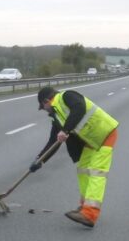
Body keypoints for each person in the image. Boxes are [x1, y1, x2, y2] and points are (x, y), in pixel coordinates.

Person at [31, 86, 119, 228]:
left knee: (96, 173)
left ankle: (90, 214)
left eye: (43, 107)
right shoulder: (57, 116)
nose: (44, 110)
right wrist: (39, 161)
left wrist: (66, 130)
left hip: (104, 133)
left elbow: (80, 108)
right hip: (91, 141)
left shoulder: (67, 96)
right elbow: (54, 141)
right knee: (83, 170)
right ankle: (84, 207)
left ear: (47, 101)